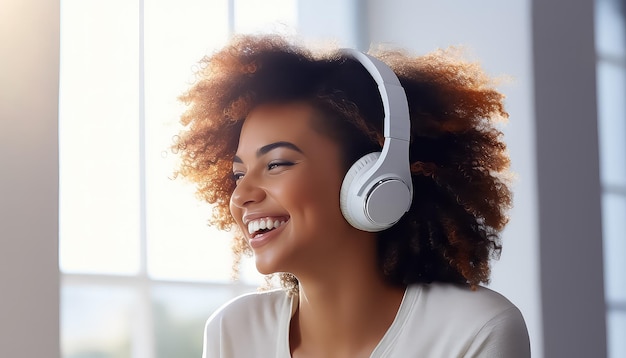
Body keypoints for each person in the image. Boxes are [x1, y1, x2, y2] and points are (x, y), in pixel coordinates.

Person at [173, 34, 531, 357]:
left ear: (373, 180)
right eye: (238, 174)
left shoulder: (474, 330)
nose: (242, 196)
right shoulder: (234, 331)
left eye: (277, 164)